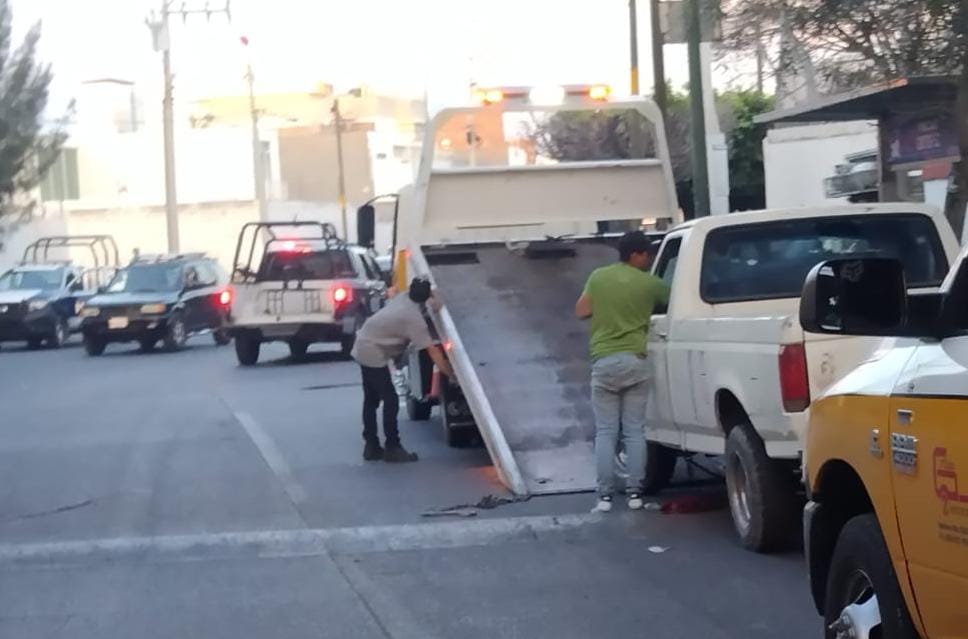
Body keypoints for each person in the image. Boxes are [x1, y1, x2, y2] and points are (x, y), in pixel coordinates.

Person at [575, 231, 670, 512]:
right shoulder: (650, 283)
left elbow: (581, 311)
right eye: (646, 254)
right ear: (636, 255)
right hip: (635, 361)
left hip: (604, 361)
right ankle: (634, 494)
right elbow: (673, 303)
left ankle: (604, 496)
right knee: (634, 431)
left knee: (606, 431)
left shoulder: (598, 277)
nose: (649, 258)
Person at [351, 277, 455, 463]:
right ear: (426, 296)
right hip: (372, 351)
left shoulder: (403, 298)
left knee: (371, 400)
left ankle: (371, 446)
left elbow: (430, 304)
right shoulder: (413, 320)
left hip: (363, 342)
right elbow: (434, 353)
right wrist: (451, 375)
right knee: (389, 399)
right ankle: (393, 447)